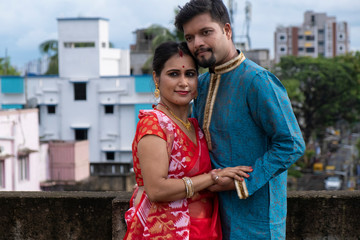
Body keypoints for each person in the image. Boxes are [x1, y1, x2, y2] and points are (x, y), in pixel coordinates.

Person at [174, 1, 306, 239]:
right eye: (190, 37)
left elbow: (292, 144)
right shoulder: (201, 85)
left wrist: (241, 182)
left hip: (258, 222)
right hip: (212, 218)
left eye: (206, 32)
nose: (197, 43)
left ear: (227, 30)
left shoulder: (258, 81)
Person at [123, 41, 252, 240]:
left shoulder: (196, 125)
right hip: (169, 231)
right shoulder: (153, 124)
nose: (183, 82)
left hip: (207, 228)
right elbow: (156, 190)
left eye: (190, 74)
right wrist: (213, 177)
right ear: (157, 78)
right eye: (174, 74)